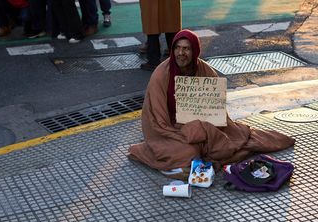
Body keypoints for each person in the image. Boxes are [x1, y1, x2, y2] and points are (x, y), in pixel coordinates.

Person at [127, 29, 296, 172]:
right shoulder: (160, 74)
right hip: (170, 129)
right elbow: (156, 120)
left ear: (195, 52)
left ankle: (197, 152)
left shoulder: (205, 70)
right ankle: (189, 153)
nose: (181, 53)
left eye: (186, 49)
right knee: (188, 152)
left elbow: (216, 112)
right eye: (177, 48)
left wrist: (201, 129)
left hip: (201, 127)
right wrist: (181, 134)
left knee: (230, 141)